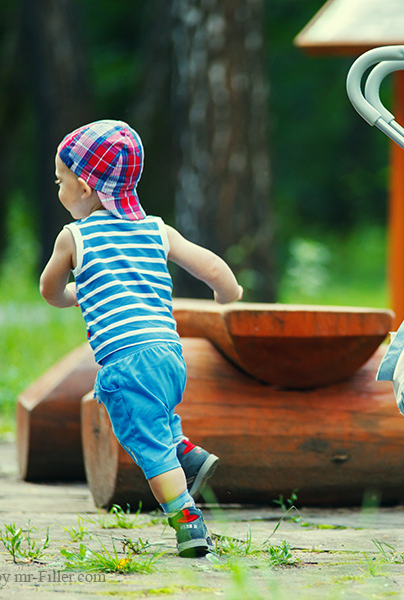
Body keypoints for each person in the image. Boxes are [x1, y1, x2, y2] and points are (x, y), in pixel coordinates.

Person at [39, 119, 243, 557]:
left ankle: (187, 520)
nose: (59, 191)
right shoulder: (156, 229)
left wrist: (76, 293)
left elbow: (49, 289)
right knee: (158, 415)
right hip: (170, 353)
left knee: (147, 446)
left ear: (87, 187)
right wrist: (230, 294)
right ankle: (186, 454)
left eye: (62, 181)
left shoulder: (74, 237)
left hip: (126, 362)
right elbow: (210, 267)